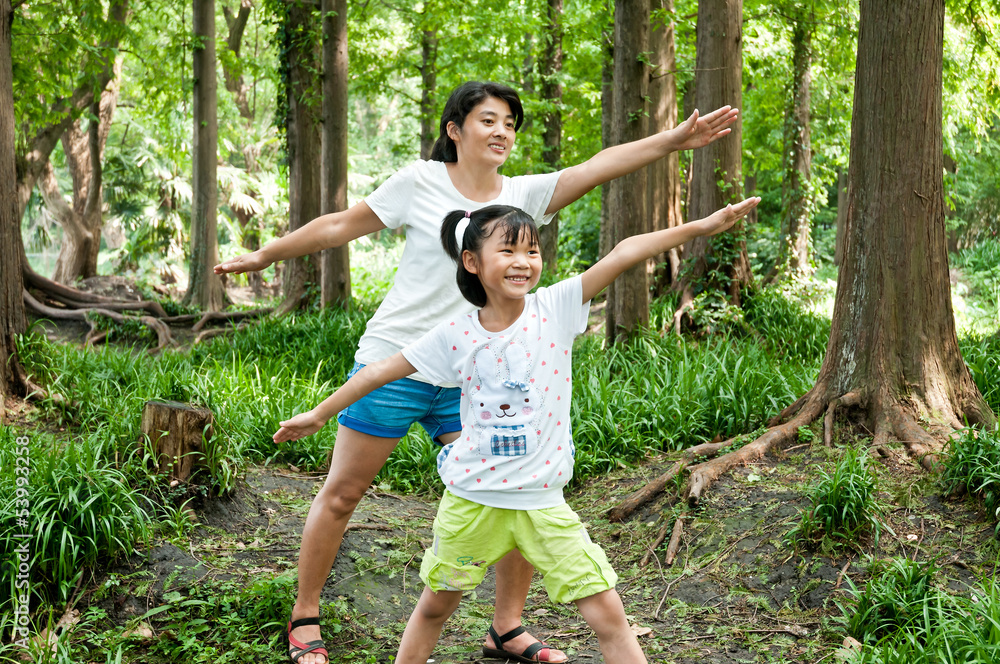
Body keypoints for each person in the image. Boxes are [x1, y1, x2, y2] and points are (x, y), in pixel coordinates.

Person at [215, 81, 739, 664]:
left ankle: (506, 628)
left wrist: (675, 139)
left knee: (515, 487)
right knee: (342, 494)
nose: (502, 132)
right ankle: (305, 617)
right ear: (454, 130)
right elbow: (339, 225)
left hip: (480, 376)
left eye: (510, 124)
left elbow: (599, 167)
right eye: (488, 120)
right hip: (399, 360)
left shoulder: (522, 194)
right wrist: (266, 255)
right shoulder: (419, 182)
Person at [274, 198, 760, 664]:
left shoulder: (556, 307)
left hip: (543, 504)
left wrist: (699, 227)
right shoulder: (456, 334)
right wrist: (319, 414)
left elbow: (625, 250)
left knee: (607, 611)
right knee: (435, 607)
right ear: (472, 262)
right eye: (507, 250)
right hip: (471, 501)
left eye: (531, 250)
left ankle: (507, 628)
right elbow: (380, 371)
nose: (523, 261)